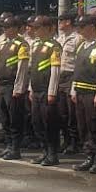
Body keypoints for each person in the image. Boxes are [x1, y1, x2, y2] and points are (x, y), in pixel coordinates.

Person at [70, 15, 96, 175]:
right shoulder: (81, 46)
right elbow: (77, 70)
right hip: (80, 91)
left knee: (95, 127)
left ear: (91, 27)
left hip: (93, 93)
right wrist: (73, 89)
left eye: (82, 26)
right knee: (83, 127)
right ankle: (89, 157)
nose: (79, 30)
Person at [28, 16, 63, 166]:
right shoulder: (36, 45)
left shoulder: (54, 46)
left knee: (49, 123)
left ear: (48, 28)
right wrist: (30, 88)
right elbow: (32, 69)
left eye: (38, 28)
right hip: (36, 90)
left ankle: (52, 154)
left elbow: (55, 70)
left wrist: (52, 92)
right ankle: (44, 151)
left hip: (46, 90)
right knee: (37, 122)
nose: (35, 31)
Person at [0, 15, 30, 160]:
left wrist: (18, 87)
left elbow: (22, 68)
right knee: (4, 118)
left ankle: (15, 148)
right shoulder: (3, 44)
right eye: (4, 27)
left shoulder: (22, 44)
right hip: (2, 85)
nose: (5, 30)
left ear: (15, 28)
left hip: (12, 86)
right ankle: (8, 145)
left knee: (14, 118)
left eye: (8, 27)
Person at [57, 13, 82, 154]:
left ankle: (74, 142)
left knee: (71, 111)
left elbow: (79, 61)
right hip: (60, 77)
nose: (59, 23)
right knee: (62, 112)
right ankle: (65, 140)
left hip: (71, 75)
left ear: (68, 22)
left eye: (62, 20)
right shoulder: (60, 38)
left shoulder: (77, 38)